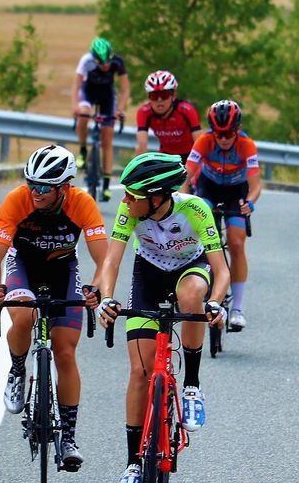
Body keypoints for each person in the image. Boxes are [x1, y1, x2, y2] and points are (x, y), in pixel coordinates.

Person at [94, 152, 229, 483]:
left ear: (157, 197)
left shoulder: (195, 209)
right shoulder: (131, 212)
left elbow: (222, 269)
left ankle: (192, 387)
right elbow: (111, 261)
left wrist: (215, 303)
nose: (125, 200)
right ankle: (132, 463)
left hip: (190, 270)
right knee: (140, 371)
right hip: (149, 276)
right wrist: (107, 298)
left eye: (133, 195)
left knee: (192, 295)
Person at [0, 144, 107, 470]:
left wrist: (97, 288)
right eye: (31, 183)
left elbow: (103, 258)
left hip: (63, 270)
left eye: (44, 187)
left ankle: (68, 436)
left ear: (64, 187)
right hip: (22, 265)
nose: (35, 192)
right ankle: (17, 368)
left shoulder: (81, 202)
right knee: (23, 316)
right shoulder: (17, 200)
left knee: (65, 351)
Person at [182, 99, 260, 330]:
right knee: (199, 231)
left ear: (237, 129)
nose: (224, 139)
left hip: (237, 192)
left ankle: (237, 308)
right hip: (209, 188)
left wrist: (250, 203)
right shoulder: (204, 141)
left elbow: (256, 186)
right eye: (219, 134)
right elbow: (185, 177)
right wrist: (184, 200)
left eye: (229, 134)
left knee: (236, 242)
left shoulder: (247, 145)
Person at [72, 36, 130, 201]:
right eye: (101, 62)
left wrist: (120, 110)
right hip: (88, 92)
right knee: (83, 113)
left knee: (107, 138)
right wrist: (75, 106)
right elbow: (76, 85)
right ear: (94, 59)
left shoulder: (118, 61)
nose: (105, 66)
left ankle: (105, 184)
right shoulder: (86, 61)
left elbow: (125, 89)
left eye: (107, 62)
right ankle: (83, 150)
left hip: (107, 96)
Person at [134, 70, 202, 161]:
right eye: (154, 95)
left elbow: (199, 143)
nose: (159, 100)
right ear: (149, 97)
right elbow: (141, 146)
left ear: (173, 95)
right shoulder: (144, 113)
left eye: (164, 95)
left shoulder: (187, 110)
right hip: (166, 157)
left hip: (190, 156)